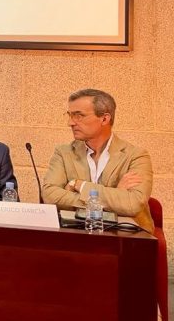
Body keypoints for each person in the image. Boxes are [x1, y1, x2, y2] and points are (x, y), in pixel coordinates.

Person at [42, 88, 154, 233]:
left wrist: (79, 185)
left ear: (104, 119)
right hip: (75, 234)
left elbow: (133, 203)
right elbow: (50, 195)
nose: (70, 122)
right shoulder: (63, 153)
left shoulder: (136, 155)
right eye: (70, 115)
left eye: (79, 115)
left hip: (125, 236)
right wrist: (115, 195)